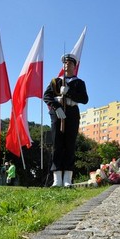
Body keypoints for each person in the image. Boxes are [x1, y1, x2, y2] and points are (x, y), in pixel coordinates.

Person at [43, 53, 89, 187]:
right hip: (58, 114)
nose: (67, 65)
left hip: (72, 113)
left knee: (69, 144)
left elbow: (84, 99)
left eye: (70, 63)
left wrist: (68, 92)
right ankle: (57, 179)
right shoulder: (55, 81)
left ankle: (67, 178)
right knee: (57, 144)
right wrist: (57, 107)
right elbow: (47, 96)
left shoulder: (79, 83)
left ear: (74, 66)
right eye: (65, 63)